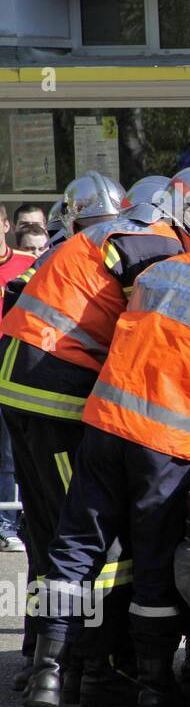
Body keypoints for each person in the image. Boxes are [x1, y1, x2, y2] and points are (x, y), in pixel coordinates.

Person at [24, 187, 190, 707]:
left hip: (104, 428)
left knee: (71, 553)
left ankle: (47, 674)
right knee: (152, 565)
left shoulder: (158, 272)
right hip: (169, 448)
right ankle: (154, 686)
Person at [1, 170, 190, 696]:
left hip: (25, 380)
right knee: (96, 536)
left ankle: (41, 661)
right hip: (57, 389)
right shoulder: (154, 244)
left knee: (48, 531)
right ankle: (92, 667)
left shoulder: (110, 236)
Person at [0, 205, 38, 553]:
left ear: (7, 225)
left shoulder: (27, 264)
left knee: (11, 453)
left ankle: (9, 524)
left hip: (13, 369)